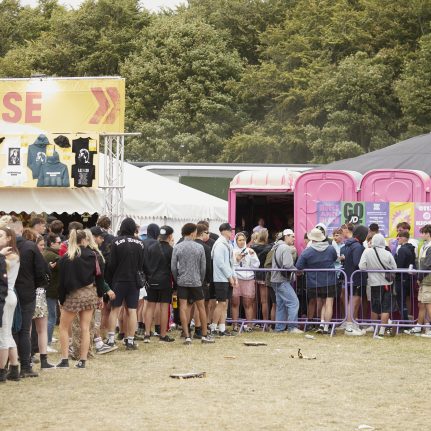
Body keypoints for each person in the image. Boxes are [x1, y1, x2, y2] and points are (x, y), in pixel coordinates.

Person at [57, 229, 104, 368]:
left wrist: (61, 299)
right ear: (84, 240)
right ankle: (83, 360)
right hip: (89, 294)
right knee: (85, 328)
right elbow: (99, 277)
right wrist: (100, 295)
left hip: (73, 295)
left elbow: (62, 282)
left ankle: (64, 359)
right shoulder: (93, 255)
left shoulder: (66, 258)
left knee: (64, 327)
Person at [10, 218, 46, 377]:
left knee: (10, 331)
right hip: (26, 292)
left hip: (9, 291)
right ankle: (24, 366)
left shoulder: (6, 248)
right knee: (24, 330)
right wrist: (35, 285)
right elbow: (42, 271)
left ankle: (9, 366)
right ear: (21, 229)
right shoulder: (30, 246)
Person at [171, 223, 214, 344]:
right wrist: (200, 279)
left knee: (183, 308)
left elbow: (173, 267)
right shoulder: (199, 247)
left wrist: (177, 279)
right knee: (201, 307)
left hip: (182, 281)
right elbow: (203, 267)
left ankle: (187, 336)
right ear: (192, 233)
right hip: (196, 281)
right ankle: (204, 335)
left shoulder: (177, 247)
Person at [106, 218, 144, 350]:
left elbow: (111, 264)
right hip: (134, 281)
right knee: (132, 310)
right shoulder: (140, 242)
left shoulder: (116, 241)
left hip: (119, 280)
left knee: (115, 310)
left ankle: (111, 340)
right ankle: (130, 340)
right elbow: (142, 263)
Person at [296, 228, 338, 335]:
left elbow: (299, 266)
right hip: (329, 280)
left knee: (319, 302)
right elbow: (335, 259)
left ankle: (321, 324)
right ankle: (326, 326)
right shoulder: (330, 249)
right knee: (328, 303)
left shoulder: (307, 251)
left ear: (312, 239)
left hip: (313, 281)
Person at [359, 234, 397, 338]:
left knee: (375, 307)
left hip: (374, 283)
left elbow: (361, 266)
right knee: (386, 308)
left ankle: (375, 328)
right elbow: (394, 267)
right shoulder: (387, 253)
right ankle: (382, 330)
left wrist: (371, 269)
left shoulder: (367, 251)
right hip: (387, 284)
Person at [143, 225, 175, 343]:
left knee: (150, 307)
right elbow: (173, 268)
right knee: (164, 308)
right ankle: (163, 335)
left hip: (151, 281)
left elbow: (145, 264)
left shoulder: (151, 248)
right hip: (165, 282)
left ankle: (147, 334)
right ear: (170, 236)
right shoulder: (171, 250)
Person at [270, 229, 302, 333]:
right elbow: (287, 265)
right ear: (286, 236)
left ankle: (279, 328)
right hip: (281, 280)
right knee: (294, 302)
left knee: (281, 305)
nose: (294, 239)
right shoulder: (285, 248)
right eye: (292, 236)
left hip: (275, 279)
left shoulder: (277, 247)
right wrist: (296, 271)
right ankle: (292, 327)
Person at [0, 228, 20, 383]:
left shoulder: (10, 256)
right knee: (7, 333)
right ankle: (14, 368)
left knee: (3, 335)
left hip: (6, 297)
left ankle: (1, 372)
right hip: (9, 296)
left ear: (8, 238)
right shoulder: (9, 255)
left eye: (0, 235)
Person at [341, 225, 368, 336]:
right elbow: (358, 263)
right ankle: (349, 327)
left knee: (354, 302)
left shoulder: (350, 245)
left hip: (351, 277)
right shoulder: (357, 246)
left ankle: (353, 325)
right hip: (356, 278)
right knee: (353, 302)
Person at [210, 223, 237, 337]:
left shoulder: (227, 244)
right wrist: (230, 276)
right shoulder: (220, 244)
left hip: (226, 277)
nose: (231, 232)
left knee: (225, 304)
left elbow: (231, 262)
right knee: (221, 303)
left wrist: (234, 276)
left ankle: (222, 328)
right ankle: (213, 327)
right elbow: (220, 263)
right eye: (230, 230)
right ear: (224, 231)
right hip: (220, 278)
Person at [33, 235, 55, 368]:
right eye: (41, 245)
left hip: (30, 293)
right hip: (39, 294)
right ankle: (43, 360)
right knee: (41, 329)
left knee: (31, 330)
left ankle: (29, 358)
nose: (43, 247)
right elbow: (46, 276)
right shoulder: (39, 258)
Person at [232, 232, 260, 332]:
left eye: (243, 240)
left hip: (248, 279)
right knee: (235, 303)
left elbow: (256, 265)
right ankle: (235, 325)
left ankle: (249, 325)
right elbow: (230, 265)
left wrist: (252, 256)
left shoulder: (250, 251)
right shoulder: (232, 251)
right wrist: (237, 259)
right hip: (236, 278)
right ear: (236, 241)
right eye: (239, 240)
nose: (242, 242)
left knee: (248, 303)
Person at [407, 225, 431, 337]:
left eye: (423, 233)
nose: (421, 235)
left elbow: (426, 265)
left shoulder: (429, 247)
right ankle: (418, 327)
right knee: (421, 304)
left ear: (428, 233)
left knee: (428, 304)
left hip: (428, 280)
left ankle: (428, 328)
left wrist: (419, 277)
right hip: (423, 279)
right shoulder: (425, 246)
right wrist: (419, 278)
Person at [194, 223, 213, 335]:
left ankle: (186, 330)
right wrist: (208, 280)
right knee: (200, 305)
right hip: (202, 279)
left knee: (190, 306)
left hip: (189, 279)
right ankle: (199, 328)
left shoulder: (189, 245)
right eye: (207, 232)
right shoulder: (206, 247)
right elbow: (207, 267)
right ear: (202, 233)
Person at [43, 233, 61, 349]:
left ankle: (48, 338)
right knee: (51, 317)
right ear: (52, 244)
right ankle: (47, 342)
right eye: (59, 242)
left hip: (48, 290)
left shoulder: (47, 253)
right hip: (51, 290)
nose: (60, 244)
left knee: (49, 316)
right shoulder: (53, 256)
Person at [394, 230, 416, 326]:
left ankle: (405, 323)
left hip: (401, 278)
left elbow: (399, 266)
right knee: (403, 301)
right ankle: (406, 322)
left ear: (403, 238)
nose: (397, 239)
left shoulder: (402, 250)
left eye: (399, 237)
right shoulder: (411, 248)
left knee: (401, 302)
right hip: (407, 278)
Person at [251, 229, 273, 322]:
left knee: (254, 300)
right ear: (266, 237)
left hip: (253, 274)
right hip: (264, 274)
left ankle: (253, 321)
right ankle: (265, 322)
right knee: (264, 301)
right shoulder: (269, 248)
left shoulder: (252, 247)